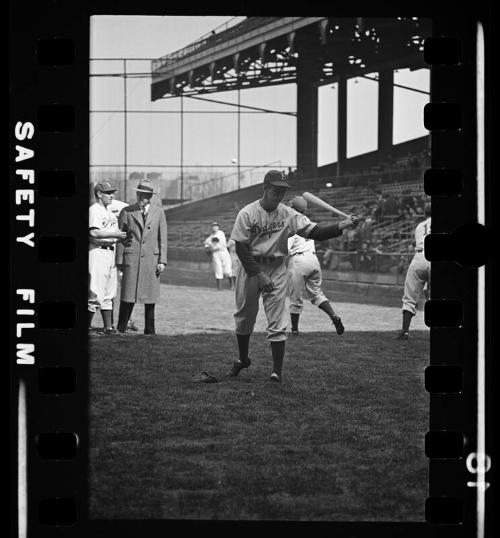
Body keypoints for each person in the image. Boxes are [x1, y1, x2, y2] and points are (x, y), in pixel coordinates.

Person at [226, 170, 360, 383]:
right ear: (265, 188)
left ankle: (276, 371)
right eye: (275, 190)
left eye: (282, 191)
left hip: (277, 267)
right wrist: (258, 274)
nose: (279, 194)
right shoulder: (247, 213)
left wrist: (343, 225)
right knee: (244, 316)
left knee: (277, 321)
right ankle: (243, 359)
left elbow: (316, 232)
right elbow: (241, 248)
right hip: (251, 267)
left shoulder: (288, 213)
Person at [286, 196, 345, 337]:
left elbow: (286, 249)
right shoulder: (309, 223)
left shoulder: (293, 224)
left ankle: (294, 330)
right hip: (313, 259)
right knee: (317, 294)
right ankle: (334, 316)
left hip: (298, 260)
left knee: (295, 297)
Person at [115, 179, 168, 335]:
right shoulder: (127, 211)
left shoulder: (159, 212)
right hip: (131, 259)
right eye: (139, 193)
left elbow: (163, 239)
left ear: (150, 196)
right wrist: (119, 261)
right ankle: (121, 327)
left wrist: (162, 261)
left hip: (152, 260)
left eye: (145, 195)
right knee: (127, 295)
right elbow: (121, 238)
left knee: (150, 297)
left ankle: (150, 330)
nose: (141, 197)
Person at [88, 181, 128, 334]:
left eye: (113, 192)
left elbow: (112, 234)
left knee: (109, 292)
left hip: (110, 252)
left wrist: (121, 237)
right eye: (108, 193)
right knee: (94, 291)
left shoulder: (109, 212)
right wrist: (115, 234)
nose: (112, 195)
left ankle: (108, 327)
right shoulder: (94, 210)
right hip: (97, 252)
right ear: (99, 194)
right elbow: (93, 233)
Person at [397, 202, 431, 339]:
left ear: (425, 213)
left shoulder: (419, 226)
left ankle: (404, 331)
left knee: (409, 298)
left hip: (419, 257)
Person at [203, 221, 235, 290]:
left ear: (218, 227)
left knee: (227, 270)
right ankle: (219, 288)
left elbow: (215, 240)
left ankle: (232, 285)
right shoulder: (211, 235)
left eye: (216, 226)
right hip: (215, 253)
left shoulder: (220, 233)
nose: (215, 227)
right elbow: (205, 243)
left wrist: (208, 243)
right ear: (212, 227)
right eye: (213, 226)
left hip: (223, 252)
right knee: (218, 270)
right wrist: (207, 246)